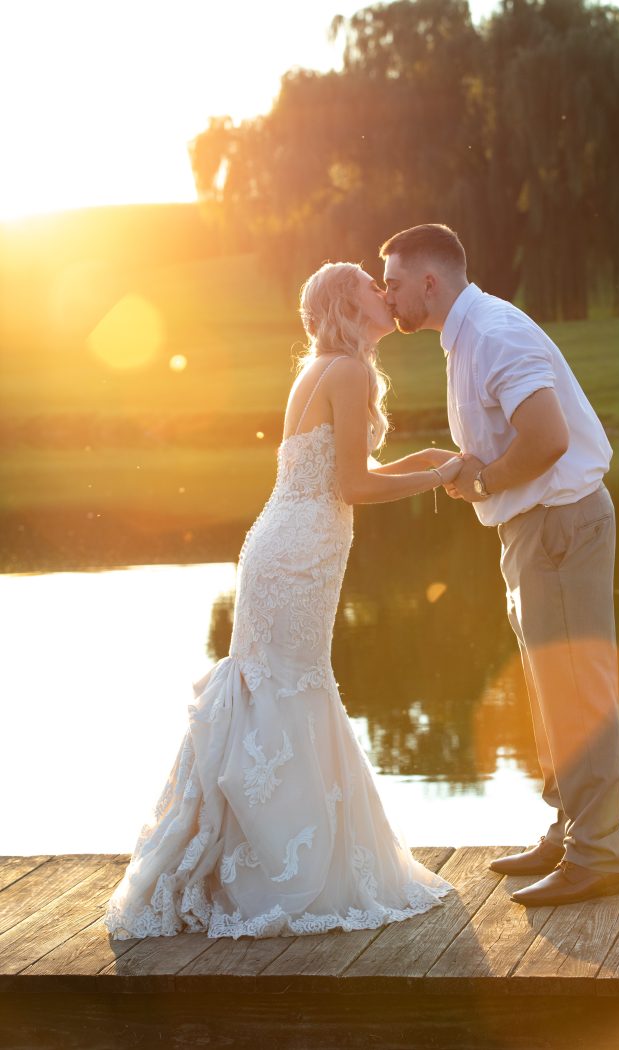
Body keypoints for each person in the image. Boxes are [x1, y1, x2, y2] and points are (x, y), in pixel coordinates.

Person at [103, 261, 463, 940]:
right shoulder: (349, 373)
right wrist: (440, 475)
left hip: (280, 545)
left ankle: (235, 860)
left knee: (275, 688)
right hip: (301, 554)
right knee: (293, 688)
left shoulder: (320, 369)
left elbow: (338, 472)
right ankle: (277, 871)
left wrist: (424, 461)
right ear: (346, 306)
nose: (384, 294)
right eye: (369, 286)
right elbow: (352, 485)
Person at [380, 223, 619, 907]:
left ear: (430, 282)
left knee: (577, 690)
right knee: (551, 689)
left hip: (560, 524)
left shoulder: (491, 332)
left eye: (393, 281)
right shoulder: (466, 337)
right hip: (535, 529)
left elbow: (546, 437)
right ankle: (569, 831)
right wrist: (474, 473)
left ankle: (597, 857)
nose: (385, 293)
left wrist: (483, 483)